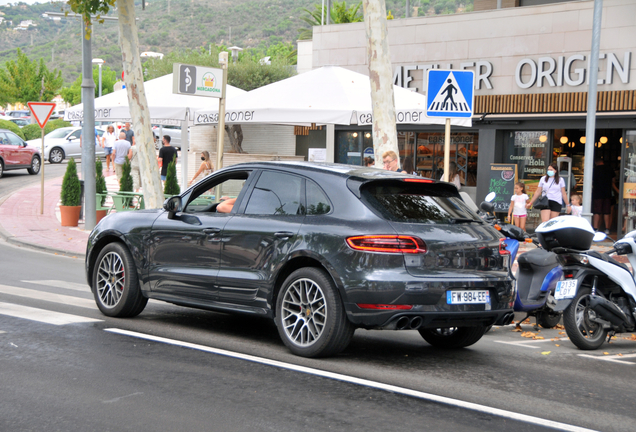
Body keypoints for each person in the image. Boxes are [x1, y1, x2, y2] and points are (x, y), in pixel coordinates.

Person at [592, 158, 613, 234]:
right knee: (606, 212)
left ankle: (595, 228)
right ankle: (607, 229)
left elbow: (591, 181)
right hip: (607, 193)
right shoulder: (609, 169)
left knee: (597, 211)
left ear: (596, 162)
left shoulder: (594, 170)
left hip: (597, 193)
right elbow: (613, 180)